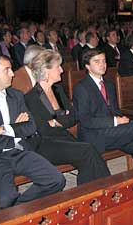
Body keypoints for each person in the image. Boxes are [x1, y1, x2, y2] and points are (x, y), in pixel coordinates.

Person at [0, 54, 65, 209]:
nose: (13, 73)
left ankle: (18, 208)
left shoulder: (16, 95)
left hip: (18, 151)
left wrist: (5, 128)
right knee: (6, 198)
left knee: (56, 180)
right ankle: (12, 209)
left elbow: (31, 126)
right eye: (7, 70)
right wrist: (17, 134)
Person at [25, 49, 110, 185]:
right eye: (57, 67)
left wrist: (56, 121)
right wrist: (63, 117)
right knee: (87, 151)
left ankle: (95, 190)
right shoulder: (31, 97)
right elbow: (44, 130)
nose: (61, 70)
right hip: (46, 144)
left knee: (89, 152)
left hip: (64, 137)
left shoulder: (58, 90)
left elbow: (74, 116)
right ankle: (101, 189)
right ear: (45, 70)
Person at [73, 49, 133, 166]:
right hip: (94, 135)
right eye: (97, 61)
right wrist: (115, 121)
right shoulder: (81, 88)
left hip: (113, 132)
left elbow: (115, 110)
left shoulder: (108, 84)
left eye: (104, 61)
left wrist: (122, 120)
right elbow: (85, 120)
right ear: (87, 66)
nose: (102, 65)